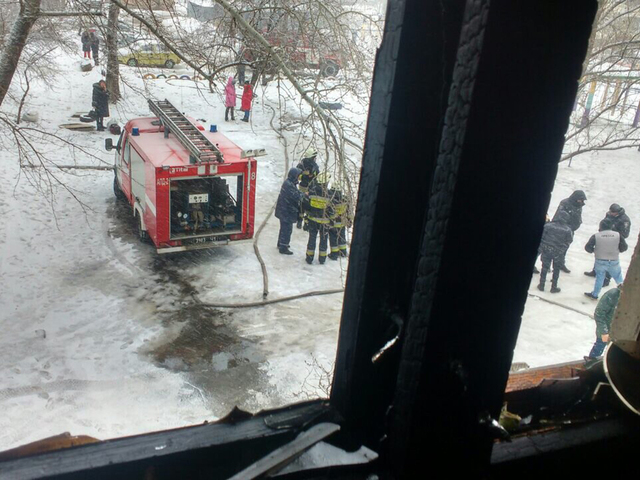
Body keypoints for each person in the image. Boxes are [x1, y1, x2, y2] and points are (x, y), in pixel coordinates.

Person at [584, 203, 631, 282]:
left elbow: (625, 234)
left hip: (614, 240)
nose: (611, 213)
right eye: (610, 212)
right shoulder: (609, 214)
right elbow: (604, 224)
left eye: (613, 212)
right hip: (604, 238)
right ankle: (595, 271)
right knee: (600, 256)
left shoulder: (625, 220)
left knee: (610, 260)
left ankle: (607, 279)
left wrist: (613, 233)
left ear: (617, 212)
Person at [584, 217, 627, 299]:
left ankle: (595, 294)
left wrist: (595, 251)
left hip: (600, 261)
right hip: (614, 260)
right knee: (618, 278)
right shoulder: (618, 235)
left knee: (599, 278)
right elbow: (624, 247)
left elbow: (587, 248)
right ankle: (623, 294)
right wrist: (617, 250)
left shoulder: (596, 236)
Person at [536, 211, 573, 293]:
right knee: (556, 269)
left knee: (544, 267)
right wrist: (561, 250)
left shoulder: (548, 226)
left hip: (546, 249)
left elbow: (542, 237)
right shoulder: (567, 230)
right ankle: (554, 287)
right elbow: (568, 241)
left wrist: (543, 247)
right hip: (558, 252)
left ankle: (541, 285)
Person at [551, 190, 586, 273]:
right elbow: (559, 216)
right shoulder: (565, 203)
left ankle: (560, 264)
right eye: (580, 199)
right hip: (561, 229)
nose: (582, 202)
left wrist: (576, 225)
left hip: (570, 230)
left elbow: (578, 217)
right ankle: (548, 264)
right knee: (552, 247)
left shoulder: (579, 205)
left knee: (564, 248)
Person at [586, 284, 621, 359]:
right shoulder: (613, 295)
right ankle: (591, 361)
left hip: (620, 334)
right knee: (599, 348)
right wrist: (604, 332)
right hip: (606, 331)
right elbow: (599, 314)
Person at [303, 172, 331, 264]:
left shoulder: (311, 192)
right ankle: (322, 258)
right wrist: (331, 219)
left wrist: (306, 217)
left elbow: (306, 206)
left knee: (312, 238)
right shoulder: (329, 195)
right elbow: (331, 210)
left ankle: (309, 257)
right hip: (324, 222)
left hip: (313, 220)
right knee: (324, 239)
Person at [275, 167, 303, 255]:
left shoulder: (289, 183)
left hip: (283, 210)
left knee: (283, 228)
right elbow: (296, 196)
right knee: (287, 229)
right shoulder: (289, 185)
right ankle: (283, 247)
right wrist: (304, 195)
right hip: (286, 211)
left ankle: (281, 243)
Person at [295, 147, 320, 229]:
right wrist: (305, 177)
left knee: (309, 204)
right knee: (302, 204)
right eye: (314, 157)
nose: (315, 158)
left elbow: (317, 176)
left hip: (311, 188)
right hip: (303, 187)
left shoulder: (314, 166)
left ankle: (306, 223)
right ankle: (300, 220)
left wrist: (313, 176)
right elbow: (297, 175)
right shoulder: (301, 165)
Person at [327, 184, 352, 260]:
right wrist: (349, 220)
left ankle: (334, 254)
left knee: (333, 238)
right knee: (342, 237)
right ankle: (343, 252)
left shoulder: (330, 199)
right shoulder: (345, 199)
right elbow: (349, 211)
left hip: (333, 223)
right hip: (342, 223)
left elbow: (327, 211)